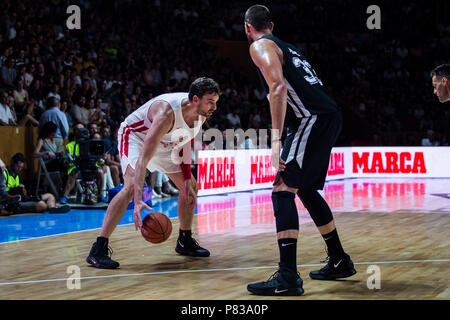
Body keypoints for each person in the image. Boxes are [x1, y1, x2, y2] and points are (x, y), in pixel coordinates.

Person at [244, 5, 356, 296]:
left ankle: (288, 276)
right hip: (328, 115)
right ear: (272, 24)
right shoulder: (288, 47)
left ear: (247, 27)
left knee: (282, 190)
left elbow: (278, 88)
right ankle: (339, 260)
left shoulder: (259, 45)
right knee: (304, 190)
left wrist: (276, 140)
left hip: (312, 118)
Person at [86, 77, 220, 269]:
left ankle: (184, 240)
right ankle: (98, 248)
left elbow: (185, 144)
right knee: (131, 186)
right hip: (136, 137)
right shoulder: (167, 113)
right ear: (196, 99)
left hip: (165, 143)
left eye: (215, 102)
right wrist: (139, 199)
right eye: (210, 102)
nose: (214, 107)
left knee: (191, 187)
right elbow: (143, 159)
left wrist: (186, 182)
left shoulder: (201, 114)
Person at [3, 153, 70, 214]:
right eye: (18, 166)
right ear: (12, 162)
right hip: (13, 202)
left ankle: (52, 209)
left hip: (23, 198)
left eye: (21, 168)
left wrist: (23, 190)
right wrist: (14, 196)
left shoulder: (16, 175)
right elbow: (2, 194)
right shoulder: (4, 173)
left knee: (50, 196)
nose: (19, 169)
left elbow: (24, 193)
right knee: (42, 205)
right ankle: (47, 208)